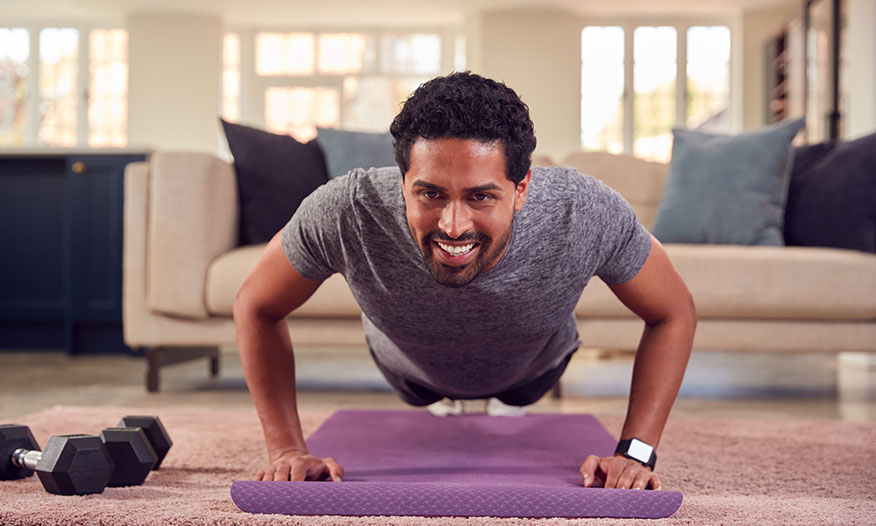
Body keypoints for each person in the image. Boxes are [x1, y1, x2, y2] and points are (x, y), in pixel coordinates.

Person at [234, 71, 697, 491]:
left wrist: (636, 453)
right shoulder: (346, 209)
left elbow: (673, 312)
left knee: (517, 391)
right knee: (424, 386)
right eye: (430, 193)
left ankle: (496, 401)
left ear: (522, 189)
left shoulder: (585, 210)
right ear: (402, 182)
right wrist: (286, 450)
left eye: (480, 197)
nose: (453, 225)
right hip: (410, 375)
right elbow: (256, 303)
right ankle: (449, 398)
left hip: (530, 374)